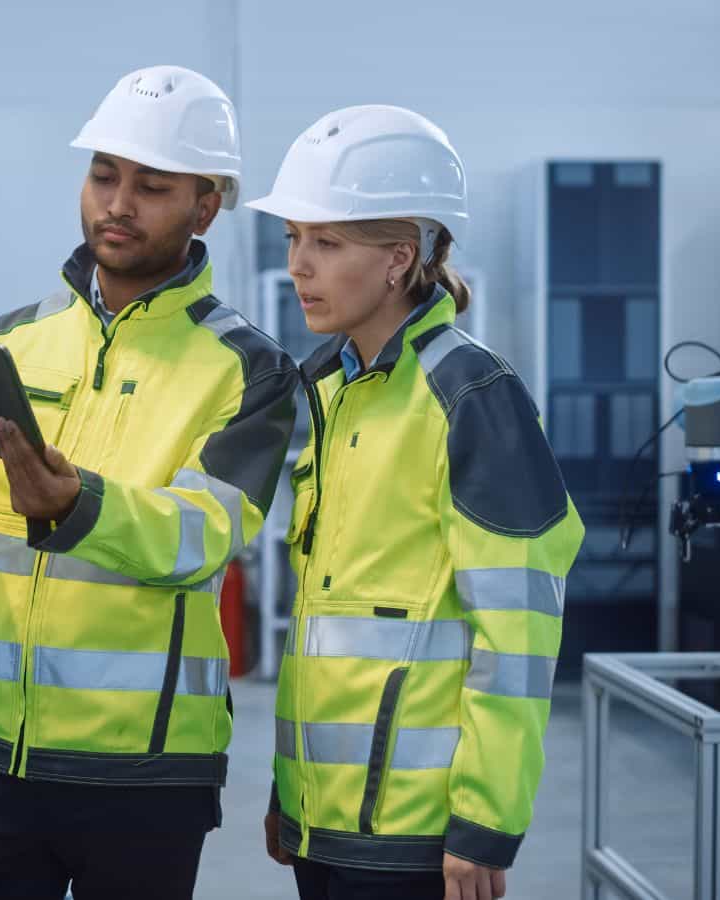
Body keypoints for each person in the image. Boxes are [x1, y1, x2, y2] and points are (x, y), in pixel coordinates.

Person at [0, 65, 300, 900]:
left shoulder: (250, 369)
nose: (118, 202)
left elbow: (204, 535)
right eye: (104, 175)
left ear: (206, 204)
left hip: (143, 771)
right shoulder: (13, 340)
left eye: (152, 186)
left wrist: (80, 508)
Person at [245, 105, 584, 900]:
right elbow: (330, 626)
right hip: (326, 817)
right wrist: (290, 795)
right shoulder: (332, 385)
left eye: (326, 243)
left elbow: (520, 627)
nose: (299, 265)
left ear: (400, 258)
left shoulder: (471, 394)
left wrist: (485, 823)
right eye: (293, 238)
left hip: (419, 833)